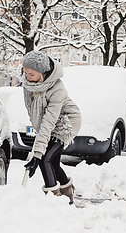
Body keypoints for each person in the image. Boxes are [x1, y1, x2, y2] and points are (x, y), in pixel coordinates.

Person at [22, 50, 81, 204]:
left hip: (66, 121)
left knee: (45, 159)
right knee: (53, 162)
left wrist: (36, 155)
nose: (27, 77)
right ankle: (68, 194)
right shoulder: (29, 85)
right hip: (49, 122)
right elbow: (34, 112)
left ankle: (53, 201)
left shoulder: (57, 89)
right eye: (25, 72)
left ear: (42, 73)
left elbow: (49, 121)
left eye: (31, 74)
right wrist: (39, 137)